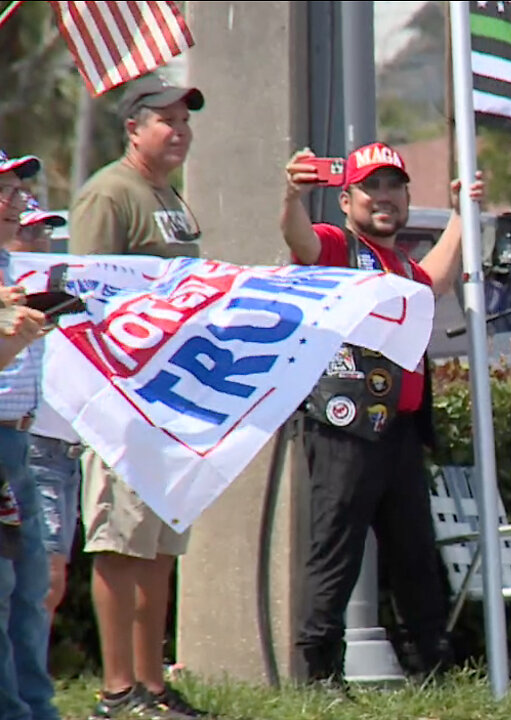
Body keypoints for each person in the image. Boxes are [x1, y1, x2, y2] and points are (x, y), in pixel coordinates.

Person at [281, 140, 482, 686]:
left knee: (416, 554)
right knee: (336, 551)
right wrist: (291, 197)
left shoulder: (401, 265)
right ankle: (320, 674)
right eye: (372, 186)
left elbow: (435, 280)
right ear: (346, 199)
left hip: (398, 431)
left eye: (394, 185)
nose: (384, 196)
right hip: (343, 428)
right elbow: (298, 239)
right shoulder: (336, 246)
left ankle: (434, 669)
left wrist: (465, 215)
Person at [68, 72, 207, 720]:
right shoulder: (109, 193)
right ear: (133, 128)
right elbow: (86, 299)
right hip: (121, 401)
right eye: (165, 121)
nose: (177, 132)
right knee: (119, 545)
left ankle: (152, 687)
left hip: (169, 403)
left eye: (183, 122)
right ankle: (117, 691)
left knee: (158, 548)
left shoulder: (167, 194)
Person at [0, 149, 57, 720]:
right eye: (6, 190)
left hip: (19, 444)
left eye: (19, 189)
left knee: (27, 590)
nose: (18, 201)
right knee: (5, 589)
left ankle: (36, 708)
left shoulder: (11, 268)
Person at [8, 199, 83, 624]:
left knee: (49, 580)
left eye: (45, 233)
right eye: (29, 230)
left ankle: (32, 678)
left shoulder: (60, 293)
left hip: (65, 449)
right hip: (30, 443)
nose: (39, 241)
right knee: (43, 578)